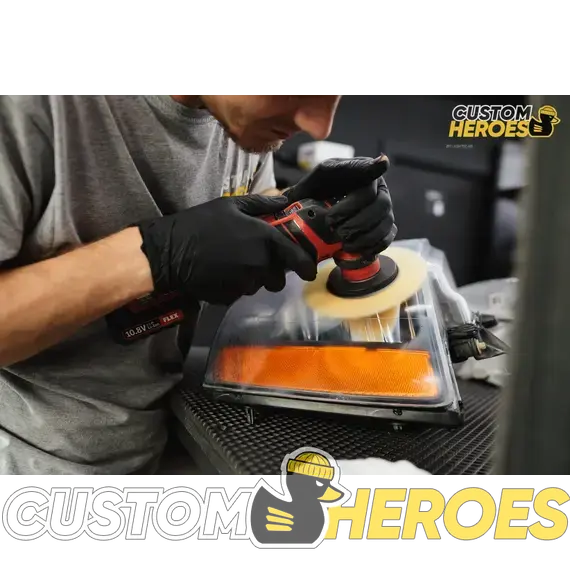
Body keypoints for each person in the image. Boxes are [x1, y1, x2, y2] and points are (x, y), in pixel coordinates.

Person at [0, 89, 397, 480]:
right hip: (28, 463)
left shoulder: (243, 122)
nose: (319, 126)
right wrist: (154, 255)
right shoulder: (31, 100)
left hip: (163, 430)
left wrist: (307, 212)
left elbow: (249, 215)